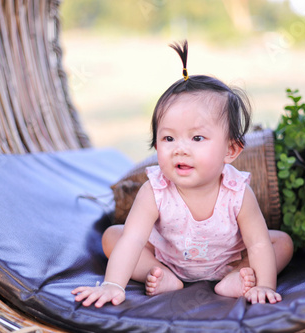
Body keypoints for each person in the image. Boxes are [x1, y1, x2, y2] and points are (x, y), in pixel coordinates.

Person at [72, 40, 293, 308]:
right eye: (168, 138)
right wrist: (113, 284)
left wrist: (264, 286)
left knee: (280, 243)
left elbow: (257, 243)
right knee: (114, 238)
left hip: (229, 260)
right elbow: (133, 240)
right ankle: (160, 275)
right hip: (167, 259)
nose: (180, 149)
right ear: (156, 145)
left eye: (197, 138)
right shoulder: (154, 190)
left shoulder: (237, 192)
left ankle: (237, 277)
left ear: (231, 149)